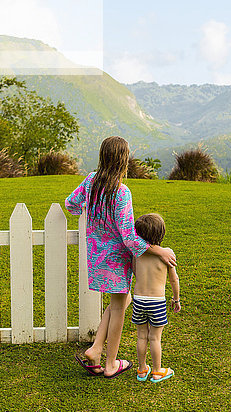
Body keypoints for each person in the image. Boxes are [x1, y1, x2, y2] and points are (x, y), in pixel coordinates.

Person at [66, 136, 176, 379]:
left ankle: (95, 349)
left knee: (120, 302)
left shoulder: (90, 181)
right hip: (116, 258)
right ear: (123, 160)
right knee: (119, 307)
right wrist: (159, 250)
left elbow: (70, 203)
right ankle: (110, 364)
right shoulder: (121, 191)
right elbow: (129, 238)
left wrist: (88, 212)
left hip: (96, 256)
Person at [132, 213, 181, 383]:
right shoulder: (166, 254)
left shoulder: (137, 253)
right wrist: (176, 299)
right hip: (157, 302)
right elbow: (174, 279)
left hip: (138, 299)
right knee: (154, 337)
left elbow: (134, 271)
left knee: (141, 336)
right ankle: (157, 370)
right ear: (161, 234)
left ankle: (141, 369)